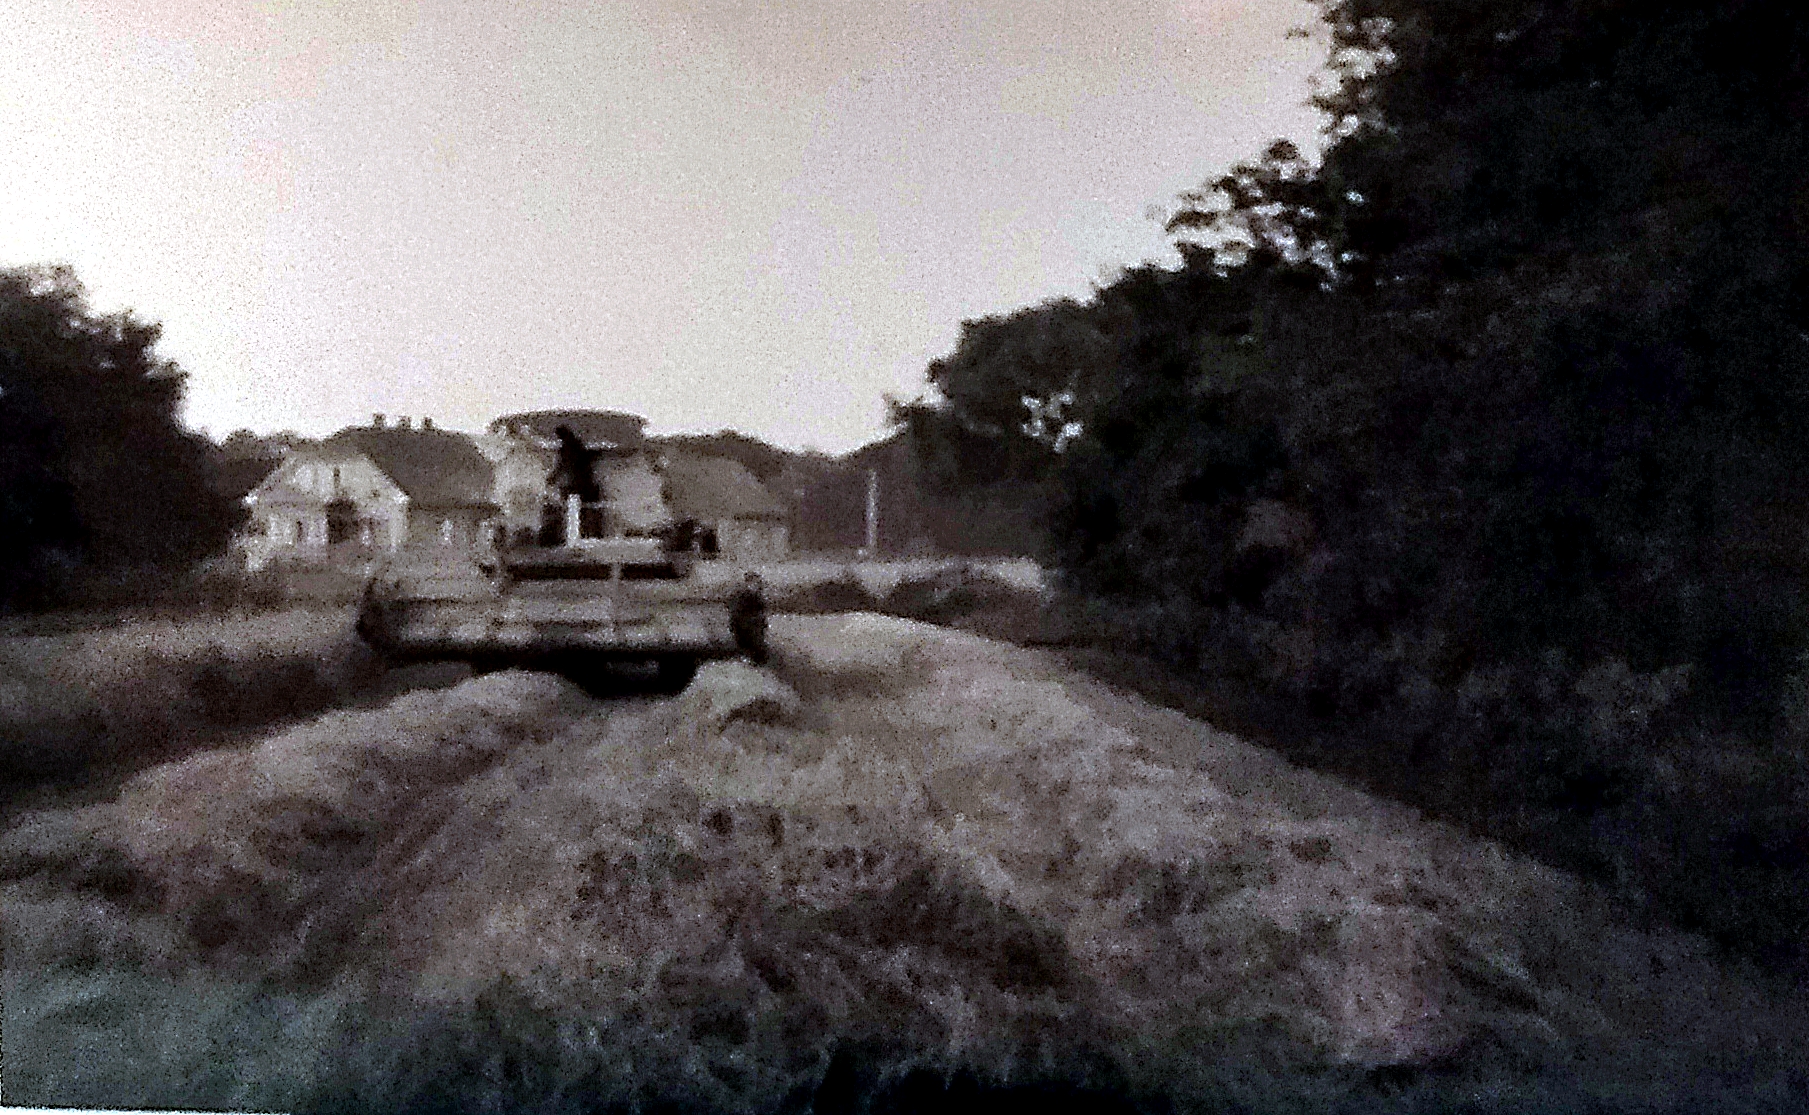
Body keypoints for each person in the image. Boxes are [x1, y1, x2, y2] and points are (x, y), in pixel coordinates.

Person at [730, 571, 768, 665]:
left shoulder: (756, 597)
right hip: (744, 622)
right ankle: (750, 656)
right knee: (746, 640)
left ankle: (756, 658)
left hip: (752, 623)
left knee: (754, 641)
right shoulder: (742, 596)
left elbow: (761, 609)